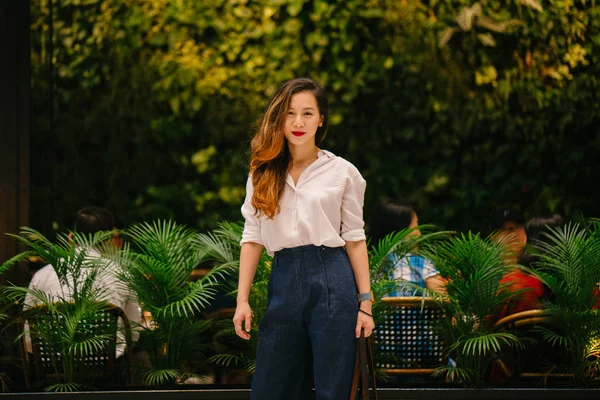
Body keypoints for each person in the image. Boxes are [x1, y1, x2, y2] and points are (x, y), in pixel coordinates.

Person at [232, 78, 374, 400]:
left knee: (332, 388)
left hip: (332, 277)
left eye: (308, 113)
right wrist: (242, 301)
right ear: (279, 117)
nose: (298, 123)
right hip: (284, 277)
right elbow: (252, 236)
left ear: (321, 119)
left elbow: (353, 237)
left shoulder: (342, 172)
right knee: (270, 387)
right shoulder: (262, 172)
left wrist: (365, 301)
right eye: (291, 113)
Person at [24, 207, 141, 358]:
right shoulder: (121, 275)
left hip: (54, 370)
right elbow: (133, 333)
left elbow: (28, 336)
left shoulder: (43, 275)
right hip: (109, 371)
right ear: (108, 240)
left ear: (71, 237)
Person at [370, 199, 445, 296]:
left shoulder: (370, 267)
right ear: (401, 231)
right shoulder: (421, 263)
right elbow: (443, 299)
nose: (419, 233)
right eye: (416, 226)